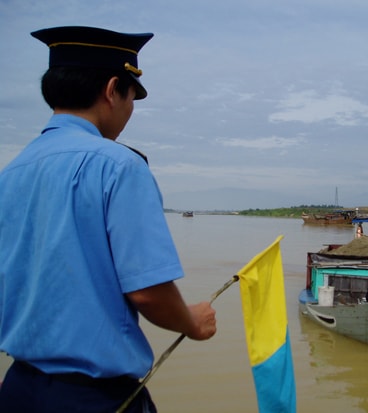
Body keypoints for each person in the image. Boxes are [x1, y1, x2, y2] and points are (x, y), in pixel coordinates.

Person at [0, 26, 217, 412]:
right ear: (112, 89)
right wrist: (192, 322)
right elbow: (148, 292)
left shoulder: (12, 173)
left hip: (17, 388)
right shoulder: (118, 165)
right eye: (132, 96)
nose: (130, 109)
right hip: (92, 398)